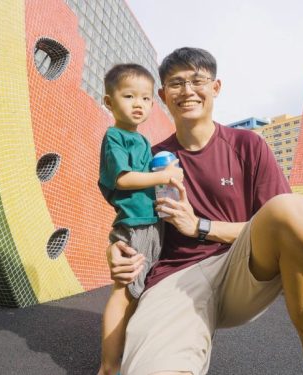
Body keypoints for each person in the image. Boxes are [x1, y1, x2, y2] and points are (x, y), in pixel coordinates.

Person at [106, 48, 303, 375]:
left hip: (240, 268)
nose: (187, 91)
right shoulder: (149, 161)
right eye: (176, 83)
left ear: (215, 88)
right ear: (162, 95)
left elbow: (275, 224)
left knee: (298, 212)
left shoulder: (248, 145)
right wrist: (115, 249)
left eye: (197, 80)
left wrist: (199, 226)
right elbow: (130, 218)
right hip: (176, 275)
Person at [97, 63, 185, 375]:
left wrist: (164, 169)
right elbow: (122, 180)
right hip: (134, 225)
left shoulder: (143, 141)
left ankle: (132, 356)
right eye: (129, 96)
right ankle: (108, 367)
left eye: (146, 99)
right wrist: (162, 174)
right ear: (109, 102)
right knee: (123, 293)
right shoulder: (115, 138)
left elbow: (150, 177)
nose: (139, 104)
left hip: (152, 223)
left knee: (141, 291)